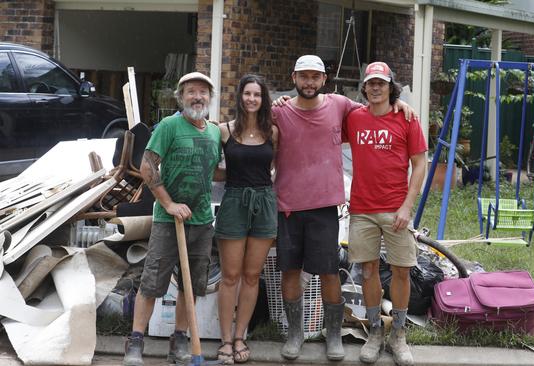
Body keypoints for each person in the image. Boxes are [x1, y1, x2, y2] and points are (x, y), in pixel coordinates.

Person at [272, 55, 415, 361]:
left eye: (315, 76)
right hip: (289, 205)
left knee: (329, 272)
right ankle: (296, 334)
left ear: (324, 80)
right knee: (292, 271)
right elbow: (251, 121)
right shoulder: (280, 110)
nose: (309, 82)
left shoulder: (340, 105)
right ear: (294, 78)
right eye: (304, 76)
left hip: (327, 204)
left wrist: (400, 105)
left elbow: (378, 114)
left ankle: (335, 334)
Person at [123, 72, 222, 366]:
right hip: (169, 221)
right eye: (191, 92)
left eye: (203, 93)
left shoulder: (214, 132)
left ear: (210, 99)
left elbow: (212, 171)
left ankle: (179, 341)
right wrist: (169, 204)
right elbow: (147, 166)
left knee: (191, 285)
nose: (197, 97)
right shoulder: (169, 126)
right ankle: (135, 343)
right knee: (153, 281)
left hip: (202, 221)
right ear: (181, 97)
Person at [344, 62, 426, 366]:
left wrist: (407, 206)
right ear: (364, 87)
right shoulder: (354, 118)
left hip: (396, 209)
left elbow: (420, 164)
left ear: (391, 86)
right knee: (368, 272)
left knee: (402, 270)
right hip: (363, 208)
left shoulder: (406, 118)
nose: (376, 87)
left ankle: (399, 334)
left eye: (382, 83)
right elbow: (320, 114)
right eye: (371, 83)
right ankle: (375, 332)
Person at [213, 74, 278, 364]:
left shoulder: (273, 133)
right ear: (240, 97)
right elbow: (213, 169)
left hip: (264, 203)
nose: (252, 99)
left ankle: (241, 336)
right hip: (234, 201)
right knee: (230, 277)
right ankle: (226, 340)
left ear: (264, 100)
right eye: (247, 93)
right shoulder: (224, 131)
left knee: (252, 276)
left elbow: (273, 168)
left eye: (258, 94)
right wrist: (238, 177)